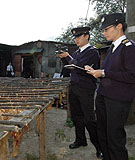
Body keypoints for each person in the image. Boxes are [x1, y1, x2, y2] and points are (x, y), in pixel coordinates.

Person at [86, 13, 135, 160]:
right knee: (103, 134)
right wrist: (95, 72)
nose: (104, 33)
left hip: (118, 100)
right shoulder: (112, 47)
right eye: (103, 30)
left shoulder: (129, 47)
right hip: (104, 96)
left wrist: (103, 73)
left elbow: (131, 76)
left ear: (119, 26)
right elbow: (109, 72)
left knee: (115, 139)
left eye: (107, 29)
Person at [57, 26, 102, 158]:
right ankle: (80, 140)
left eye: (79, 37)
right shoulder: (77, 53)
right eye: (75, 37)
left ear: (87, 36)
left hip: (86, 89)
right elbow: (69, 69)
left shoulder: (93, 52)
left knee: (89, 119)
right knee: (77, 117)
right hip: (74, 87)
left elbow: (81, 67)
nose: (76, 39)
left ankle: (99, 146)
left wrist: (68, 57)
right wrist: (63, 58)